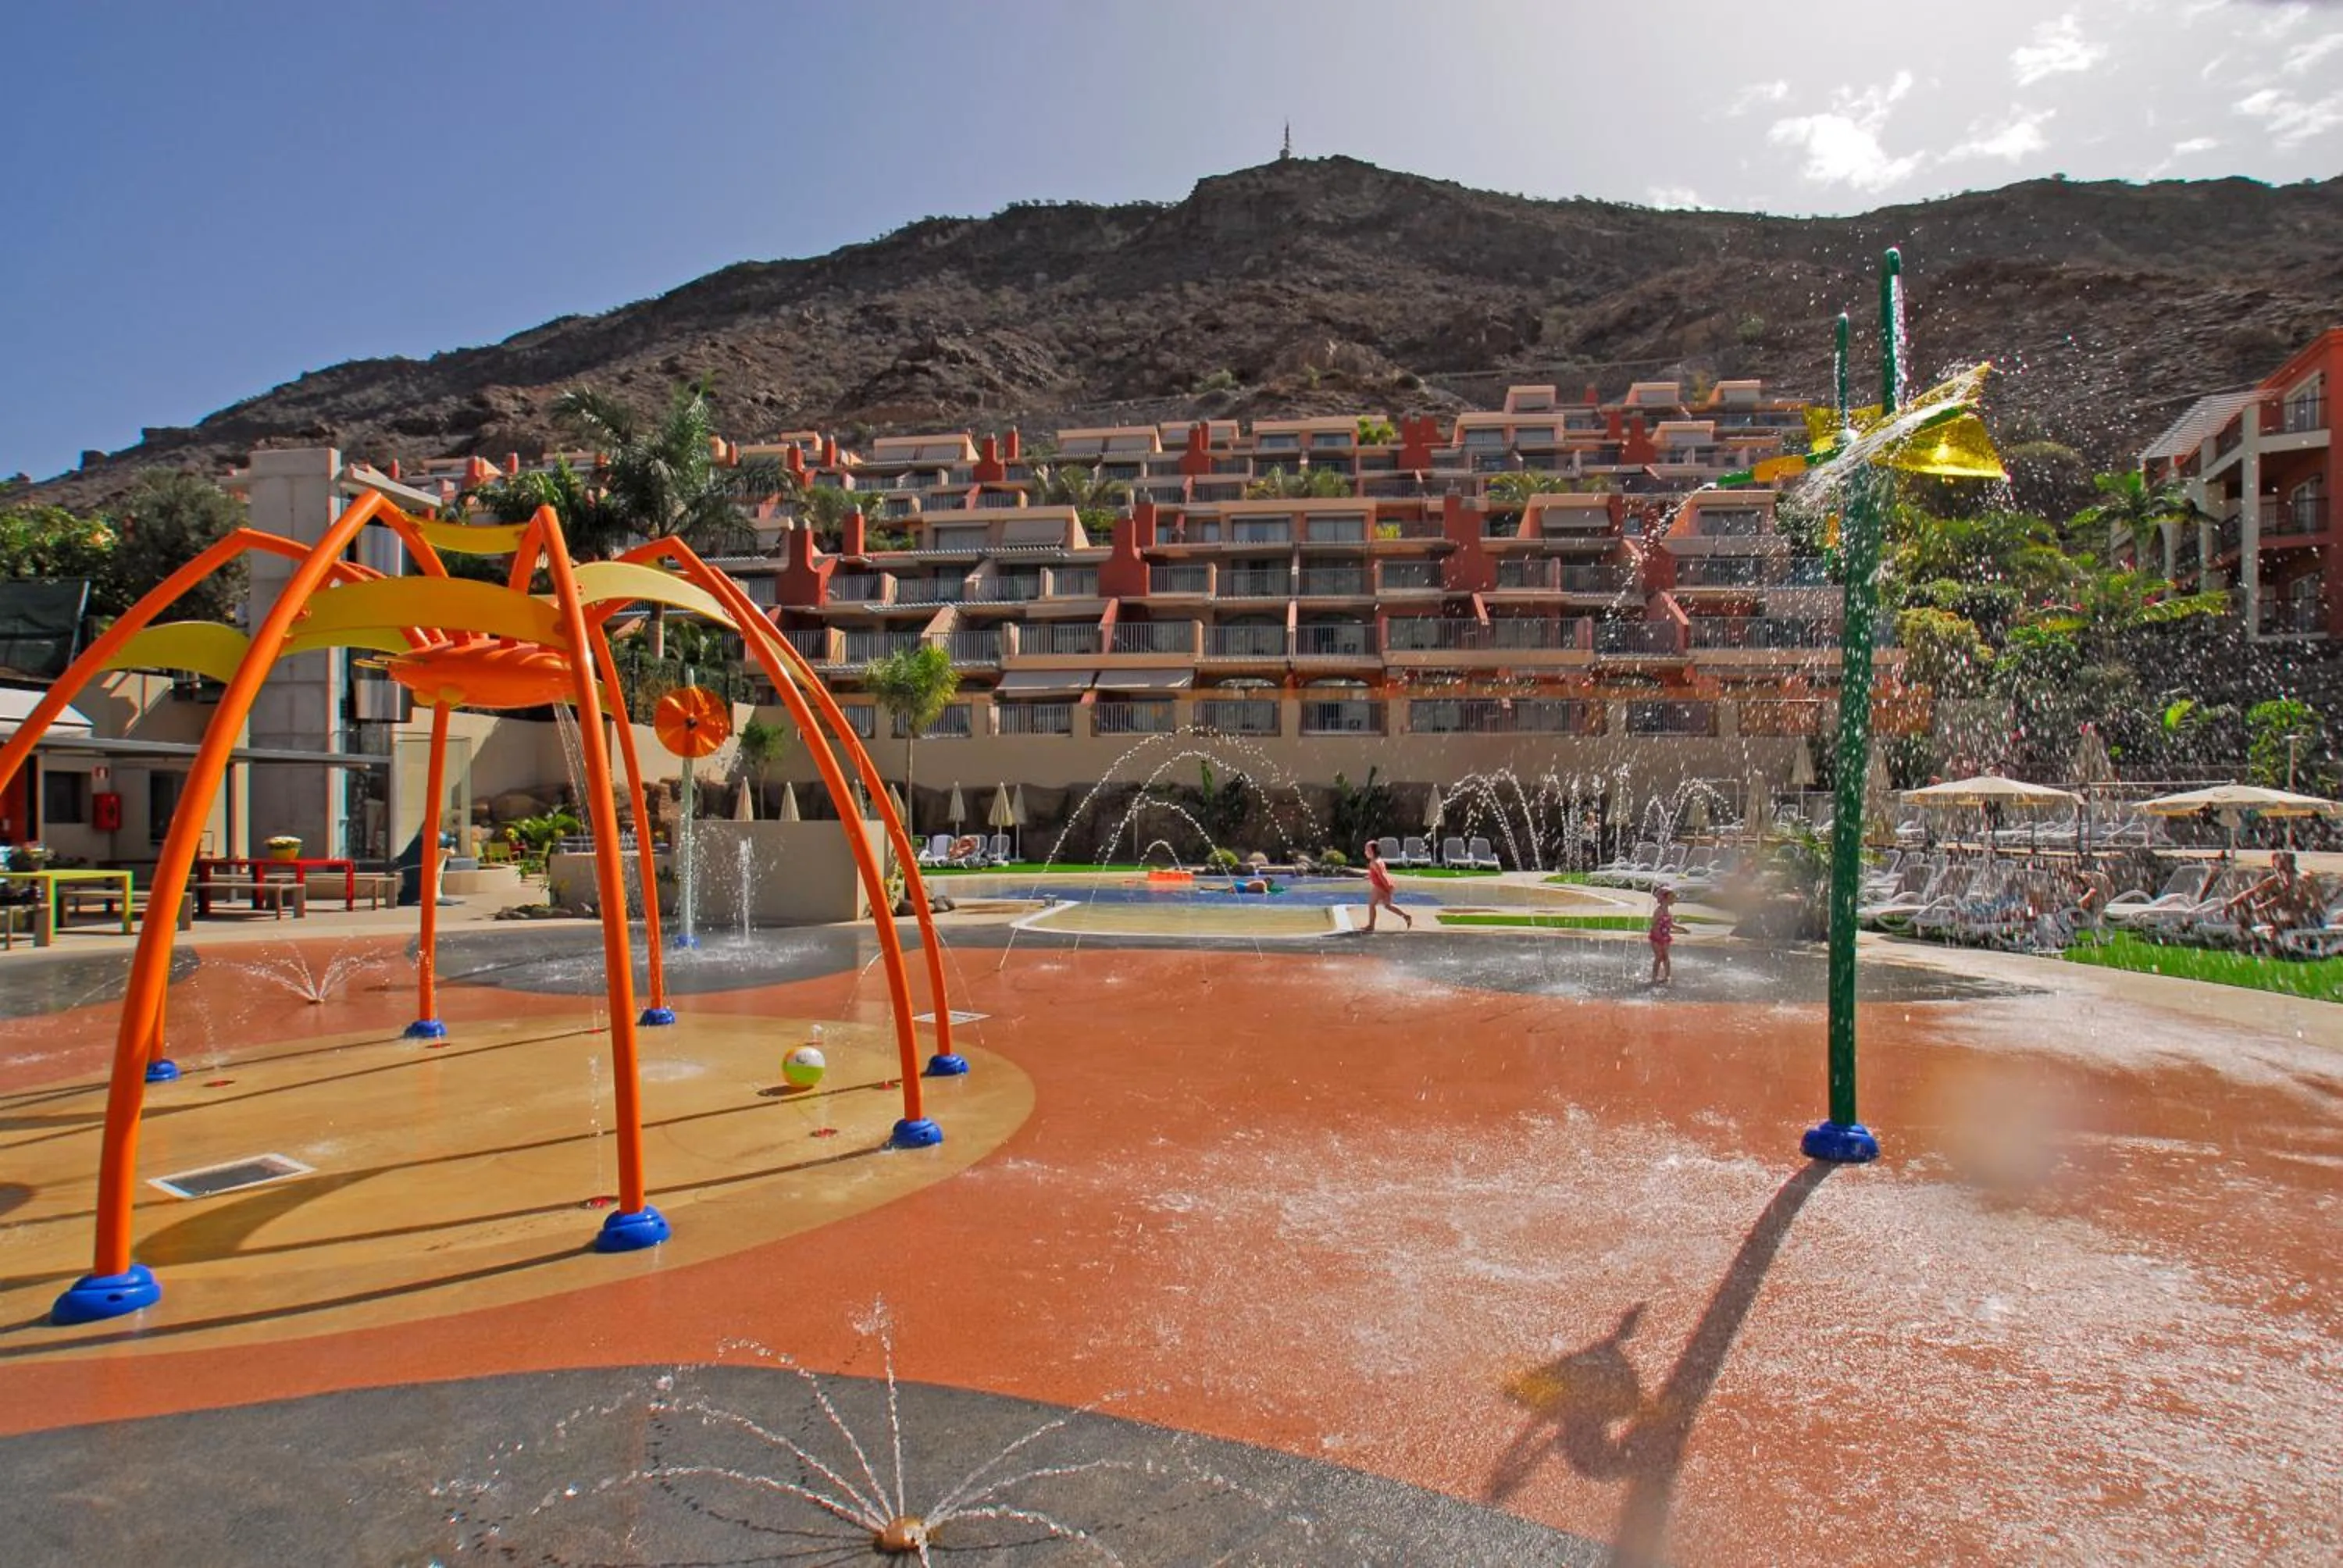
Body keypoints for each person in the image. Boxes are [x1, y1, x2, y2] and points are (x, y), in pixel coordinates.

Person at [1363, 840, 1413, 932]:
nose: (1365, 852)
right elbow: (1379, 873)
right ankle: (1406, 916)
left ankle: (1371, 926)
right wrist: (1370, 877)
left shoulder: (1374, 863)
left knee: (1372, 905)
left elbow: (1382, 875)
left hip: (1380, 886)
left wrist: (1387, 886)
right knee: (1388, 906)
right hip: (1385, 885)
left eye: (1367, 850)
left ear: (1373, 851)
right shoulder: (1379, 861)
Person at [1648, 885, 1676, 984]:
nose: (1674, 899)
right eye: (1672, 897)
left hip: (1665, 938)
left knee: (1666, 956)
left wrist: (1682, 929)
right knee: (1659, 956)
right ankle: (1654, 977)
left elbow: (1671, 924)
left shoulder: (1669, 912)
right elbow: (1653, 924)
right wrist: (1658, 936)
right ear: (1664, 898)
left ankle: (1668, 976)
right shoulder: (1658, 911)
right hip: (1656, 938)